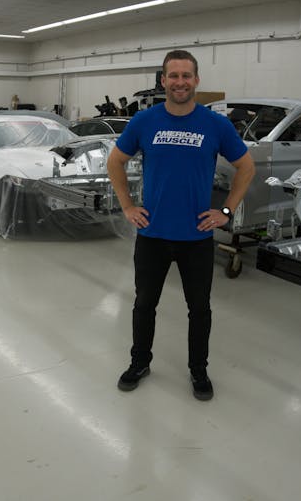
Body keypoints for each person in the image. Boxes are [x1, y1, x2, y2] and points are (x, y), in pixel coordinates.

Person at [107, 49, 255, 401]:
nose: (179, 82)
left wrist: (226, 211)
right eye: (173, 76)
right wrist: (127, 205)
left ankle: (198, 370)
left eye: (186, 75)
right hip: (152, 235)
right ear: (163, 81)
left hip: (196, 237)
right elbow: (115, 162)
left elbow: (246, 167)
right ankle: (139, 362)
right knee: (144, 305)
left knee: (199, 309)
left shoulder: (215, 124)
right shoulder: (144, 121)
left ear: (196, 80)